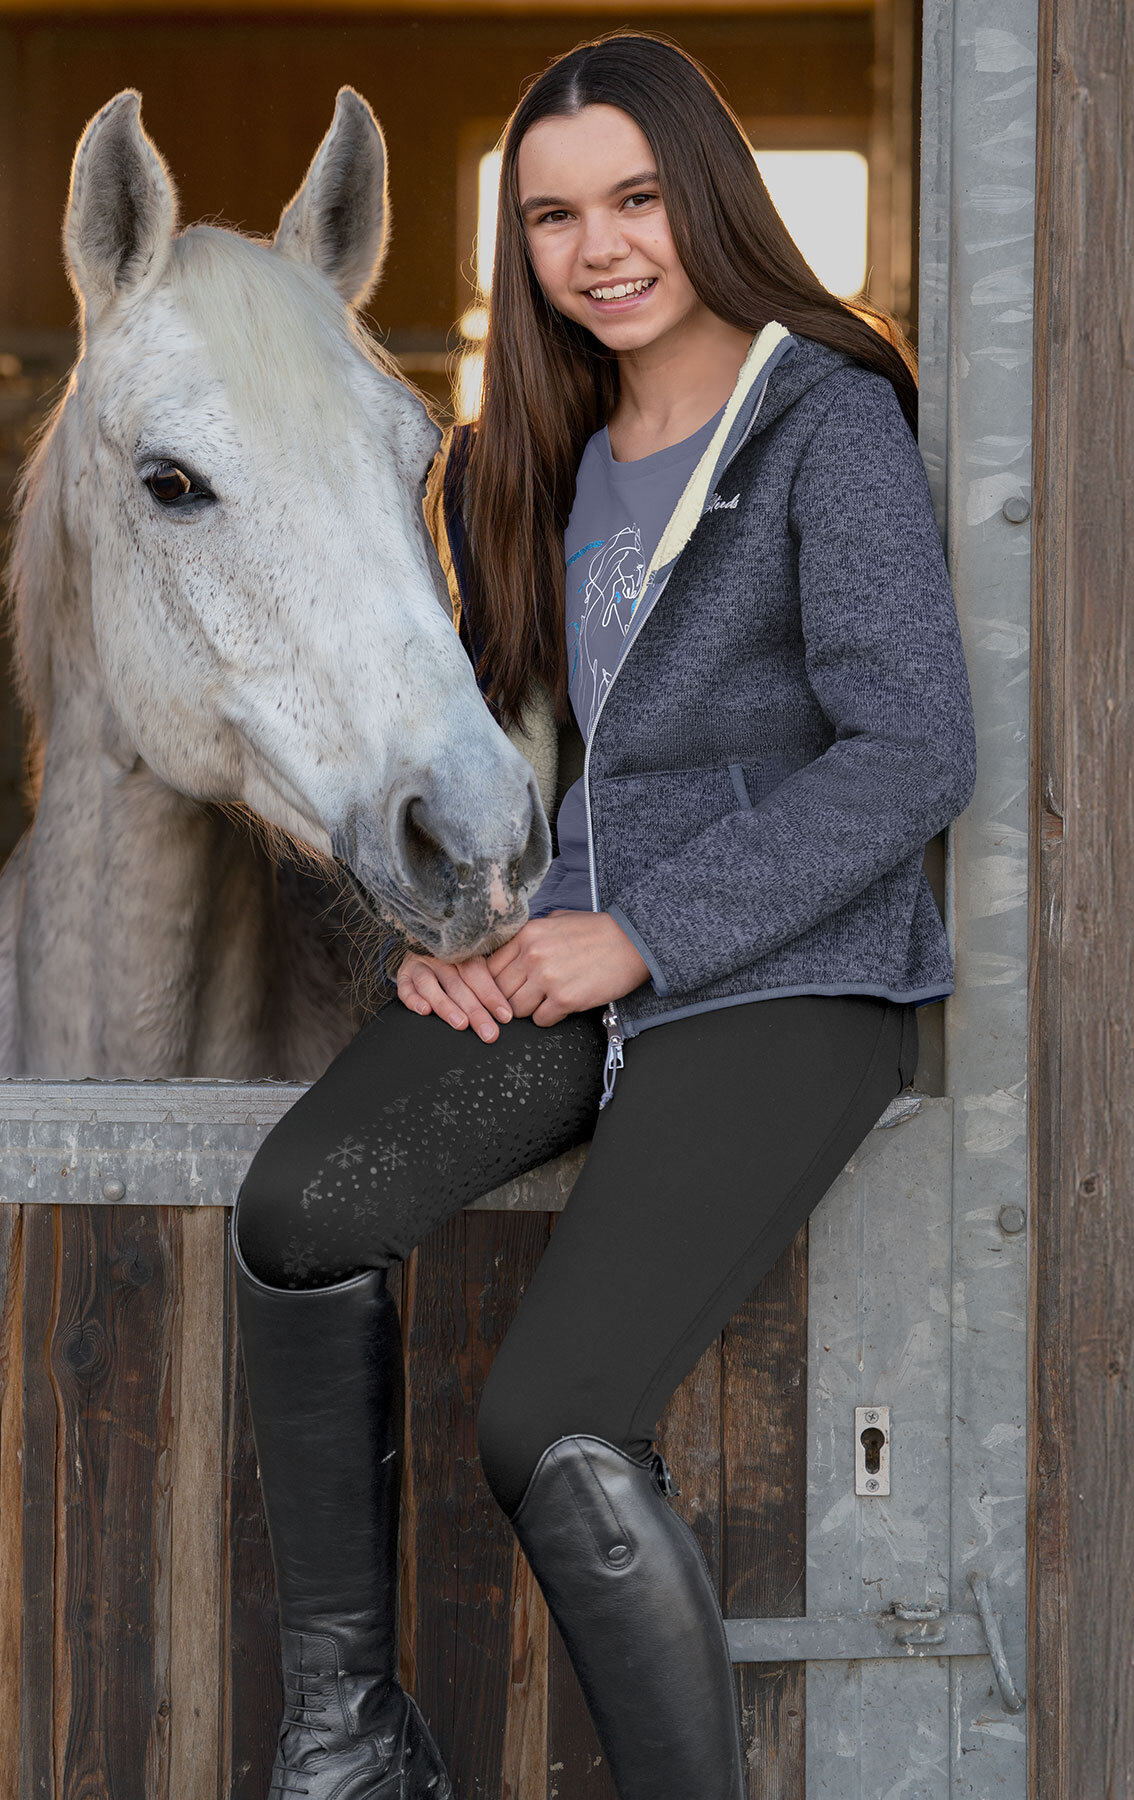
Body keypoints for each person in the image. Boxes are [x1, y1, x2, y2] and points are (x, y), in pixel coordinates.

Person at [230, 31, 977, 1800]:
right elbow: (492, 751)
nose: (601, 246)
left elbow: (909, 752)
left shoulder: (823, 425)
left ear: (704, 197)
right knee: (295, 1211)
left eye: (636, 197)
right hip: (569, 964)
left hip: (785, 978)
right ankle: (347, 1744)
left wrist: (637, 934)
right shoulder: (520, 461)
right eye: (554, 214)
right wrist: (468, 929)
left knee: (548, 1428)